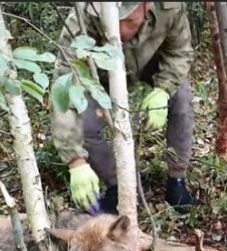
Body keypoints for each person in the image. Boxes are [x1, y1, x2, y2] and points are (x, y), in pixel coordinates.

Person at [51, 2, 196, 215]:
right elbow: (65, 81)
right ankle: (118, 186)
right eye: (112, 21)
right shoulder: (86, 13)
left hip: (148, 62)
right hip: (99, 72)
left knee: (182, 98)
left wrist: (163, 90)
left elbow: (180, 52)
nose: (118, 31)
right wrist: (75, 161)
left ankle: (177, 181)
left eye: (128, 21)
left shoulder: (169, 7)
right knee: (86, 123)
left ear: (147, 6)